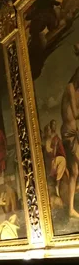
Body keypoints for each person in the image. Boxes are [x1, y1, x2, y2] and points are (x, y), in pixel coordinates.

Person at [61, 67, 79, 218]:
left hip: (73, 133)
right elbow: (76, 113)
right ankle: (70, 209)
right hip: (69, 134)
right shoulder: (70, 87)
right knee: (74, 170)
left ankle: (71, 209)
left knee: (75, 172)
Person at [43, 120, 67, 197]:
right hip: (52, 159)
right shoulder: (48, 140)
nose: (54, 127)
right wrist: (55, 147)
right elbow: (50, 153)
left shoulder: (54, 138)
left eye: (55, 125)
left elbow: (59, 149)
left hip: (56, 157)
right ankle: (57, 183)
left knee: (63, 160)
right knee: (62, 161)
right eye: (52, 125)